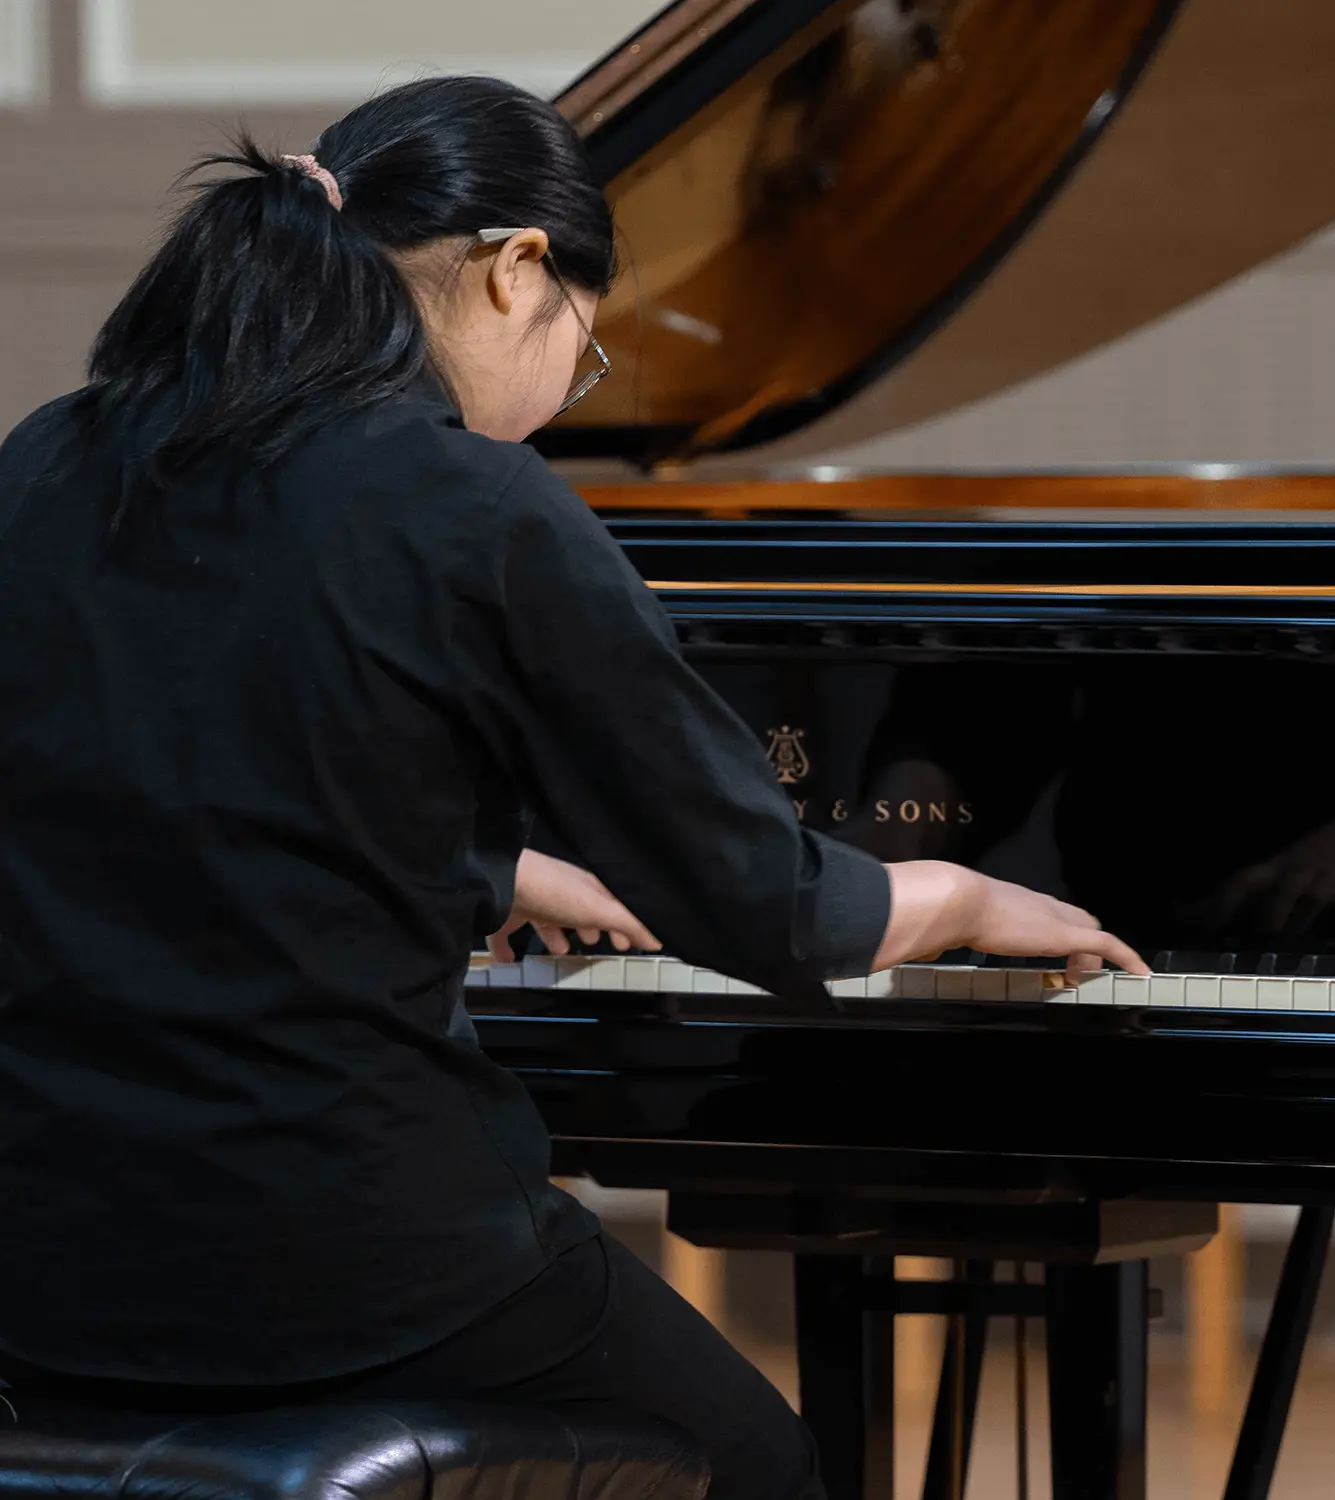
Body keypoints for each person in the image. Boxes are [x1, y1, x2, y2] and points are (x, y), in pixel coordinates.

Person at [0, 76, 1144, 1500]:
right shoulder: (475, 504)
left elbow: (162, 788)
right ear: (516, 267)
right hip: (335, 1263)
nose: (560, 399)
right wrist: (959, 894)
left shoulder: (51, 456)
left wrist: (484, 864)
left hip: (48, 1261)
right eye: (583, 354)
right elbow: (769, 910)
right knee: (759, 1466)